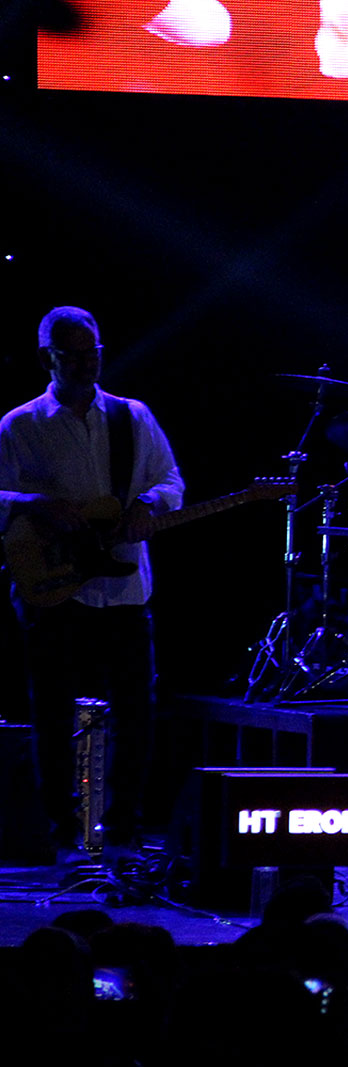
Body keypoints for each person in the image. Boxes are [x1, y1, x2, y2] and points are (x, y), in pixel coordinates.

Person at [0, 306, 184, 852]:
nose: (87, 364)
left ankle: (123, 831)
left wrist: (150, 504)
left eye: (93, 352)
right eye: (73, 355)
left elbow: (170, 479)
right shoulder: (20, 424)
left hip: (124, 589)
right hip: (54, 586)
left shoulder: (132, 416)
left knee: (136, 715)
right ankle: (61, 832)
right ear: (47, 358)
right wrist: (34, 504)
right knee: (51, 715)